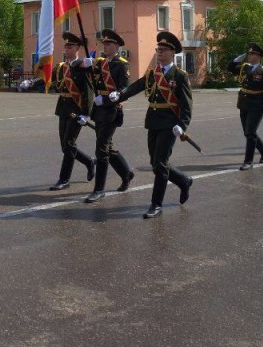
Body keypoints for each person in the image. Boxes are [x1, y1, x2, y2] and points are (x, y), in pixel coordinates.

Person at [111, 30, 192, 218]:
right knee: (155, 163)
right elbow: (136, 87)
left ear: (172, 53)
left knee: (161, 164)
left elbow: (187, 104)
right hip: (153, 121)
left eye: (163, 50)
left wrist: (183, 125)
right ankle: (183, 181)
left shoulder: (179, 75)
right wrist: (120, 95)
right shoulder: (152, 73)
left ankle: (156, 204)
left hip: (170, 124)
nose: (160, 52)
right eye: (158, 49)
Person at [85, 29, 135, 203]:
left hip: (111, 110)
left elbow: (125, 87)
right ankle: (126, 173)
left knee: (101, 150)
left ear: (116, 45)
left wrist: (109, 98)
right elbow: (91, 78)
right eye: (104, 44)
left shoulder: (121, 64)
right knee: (108, 147)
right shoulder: (100, 62)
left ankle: (99, 189)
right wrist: (83, 64)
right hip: (98, 110)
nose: (105, 46)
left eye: (108, 44)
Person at [48, 32, 96, 191]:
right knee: (65, 146)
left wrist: (86, 113)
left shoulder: (83, 66)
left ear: (78, 48)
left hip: (77, 109)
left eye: (70, 47)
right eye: (66, 47)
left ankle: (64, 179)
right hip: (63, 108)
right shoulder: (62, 67)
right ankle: (89, 161)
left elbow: (89, 91)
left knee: (68, 144)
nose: (67, 49)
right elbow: (52, 81)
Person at [229, 43, 263, 170]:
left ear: (258, 56)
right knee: (248, 132)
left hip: (257, 105)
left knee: (250, 133)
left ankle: (248, 161)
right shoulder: (245, 68)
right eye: (249, 54)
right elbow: (231, 69)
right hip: (244, 103)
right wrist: (235, 60)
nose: (249, 56)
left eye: (252, 54)